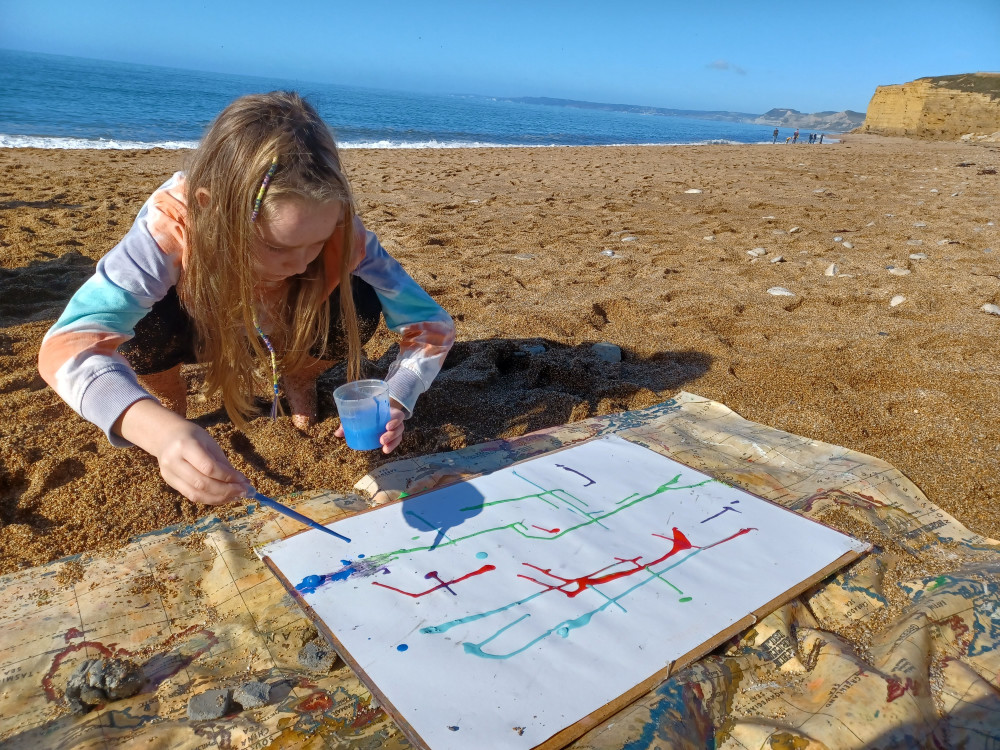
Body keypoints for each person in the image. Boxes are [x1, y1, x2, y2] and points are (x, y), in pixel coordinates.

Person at [38, 92, 455, 506]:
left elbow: (430, 324)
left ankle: (301, 374)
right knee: (143, 323)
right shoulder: (172, 224)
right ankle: (167, 396)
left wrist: (398, 393)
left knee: (360, 296)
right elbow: (69, 345)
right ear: (210, 208)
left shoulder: (343, 229)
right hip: (197, 321)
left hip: (289, 321)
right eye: (276, 246)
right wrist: (156, 430)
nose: (300, 263)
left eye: (318, 242)